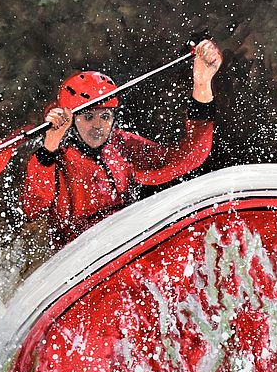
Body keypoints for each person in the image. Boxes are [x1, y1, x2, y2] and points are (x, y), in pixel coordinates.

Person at [21, 40, 222, 245]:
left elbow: (187, 157)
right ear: (71, 121)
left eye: (105, 116)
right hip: (76, 255)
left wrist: (202, 86)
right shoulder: (54, 157)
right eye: (88, 117)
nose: (98, 125)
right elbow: (33, 207)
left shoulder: (122, 145)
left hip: (123, 241)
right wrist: (50, 144)